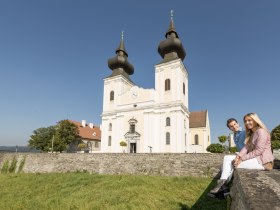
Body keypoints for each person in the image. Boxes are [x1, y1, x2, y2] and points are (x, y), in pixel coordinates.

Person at [209, 113, 274, 198]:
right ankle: (223, 187)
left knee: (231, 164)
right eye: (245, 121)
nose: (247, 123)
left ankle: (223, 188)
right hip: (256, 159)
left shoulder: (261, 131)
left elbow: (259, 151)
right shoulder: (252, 133)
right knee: (227, 158)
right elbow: (246, 148)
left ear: (255, 120)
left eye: (249, 120)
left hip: (263, 162)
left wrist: (241, 159)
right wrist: (238, 157)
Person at [208, 118, 246, 197]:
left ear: (238, 123)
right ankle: (225, 190)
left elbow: (248, 147)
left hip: (246, 156)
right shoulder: (234, 135)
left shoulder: (244, 132)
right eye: (231, 126)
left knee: (227, 159)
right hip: (240, 155)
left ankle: (222, 188)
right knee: (223, 167)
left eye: (235, 124)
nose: (234, 127)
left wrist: (239, 157)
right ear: (230, 128)